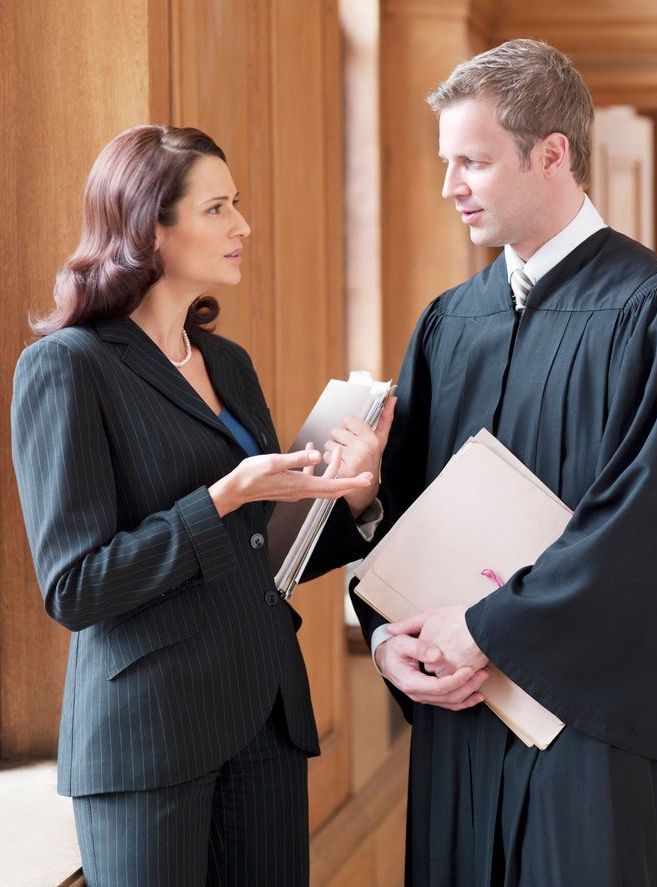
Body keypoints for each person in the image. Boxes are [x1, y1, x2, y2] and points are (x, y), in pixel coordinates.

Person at [350, 39, 657, 886]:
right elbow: (402, 508)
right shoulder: (450, 322)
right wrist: (387, 640)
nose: (449, 188)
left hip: (594, 728)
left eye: (471, 162)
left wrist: (485, 629)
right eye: (446, 162)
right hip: (463, 716)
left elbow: (648, 529)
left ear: (552, 154)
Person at [11, 125, 390, 887]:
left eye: (237, 203)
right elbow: (76, 586)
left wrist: (354, 495)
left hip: (265, 720)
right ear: (152, 227)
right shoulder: (66, 367)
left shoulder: (228, 362)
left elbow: (262, 553)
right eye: (217, 207)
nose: (242, 225)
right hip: (148, 740)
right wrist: (223, 497)